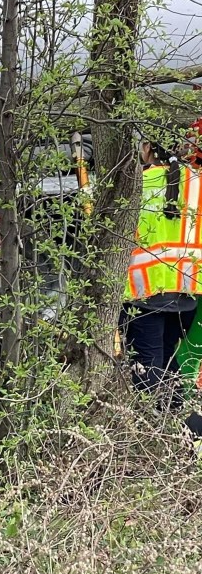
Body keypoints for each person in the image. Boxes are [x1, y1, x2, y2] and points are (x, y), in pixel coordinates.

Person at [123, 136, 202, 431]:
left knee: (148, 365)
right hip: (187, 290)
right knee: (168, 359)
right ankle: (181, 427)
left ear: (148, 148)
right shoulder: (197, 183)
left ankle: (155, 431)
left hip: (144, 290)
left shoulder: (136, 184)